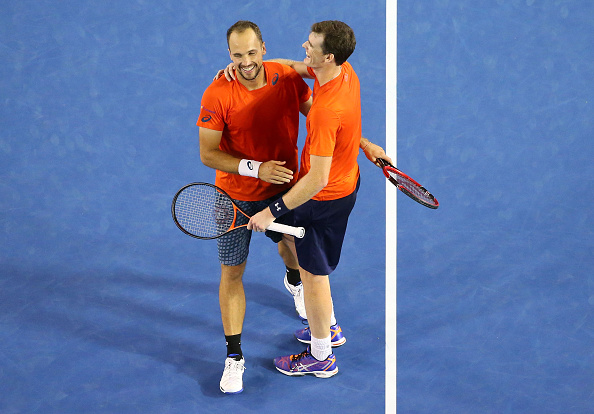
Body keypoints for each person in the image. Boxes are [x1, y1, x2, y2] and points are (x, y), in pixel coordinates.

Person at [248, 20, 391, 378]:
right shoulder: (345, 73)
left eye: (311, 45)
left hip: (322, 199)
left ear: (328, 56)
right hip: (345, 183)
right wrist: (247, 65)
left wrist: (271, 211)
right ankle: (326, 325)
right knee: (300, 253)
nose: (304, 47)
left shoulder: (326, 112)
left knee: (313, 275)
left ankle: (321, 355)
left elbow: (317, 179)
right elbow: (291, 66)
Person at [196, 20, 313, 394]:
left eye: (251, 52)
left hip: (283, 188)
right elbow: (208, 153)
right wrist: (255, 167)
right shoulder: (217, 93)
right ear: (228, 55)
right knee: (232, 272)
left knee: (292, 247)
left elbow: (319, 114)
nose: (245, 62)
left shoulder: (287, 78)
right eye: (237, 55)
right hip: (234, 197)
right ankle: (234, 357)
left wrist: (356, 141)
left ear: (263, 48)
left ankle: (295, 282)